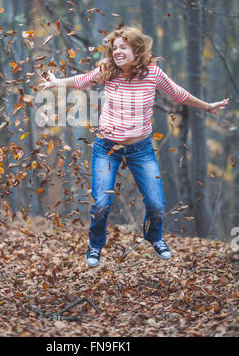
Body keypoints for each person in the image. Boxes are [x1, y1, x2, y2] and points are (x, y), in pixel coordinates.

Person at [38, 27, 229, 267]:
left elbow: (178, 95)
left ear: (137, 50)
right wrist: (56, 83)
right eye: (115, 48)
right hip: (106, 147)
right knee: (100, 204)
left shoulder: (153, 74)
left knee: (156, 205)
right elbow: (81, 81)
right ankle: (95, 245)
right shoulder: (107, 71)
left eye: (123, 47)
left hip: (140, 149)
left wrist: (207, 106)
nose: (117, 51)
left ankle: (153, 237)